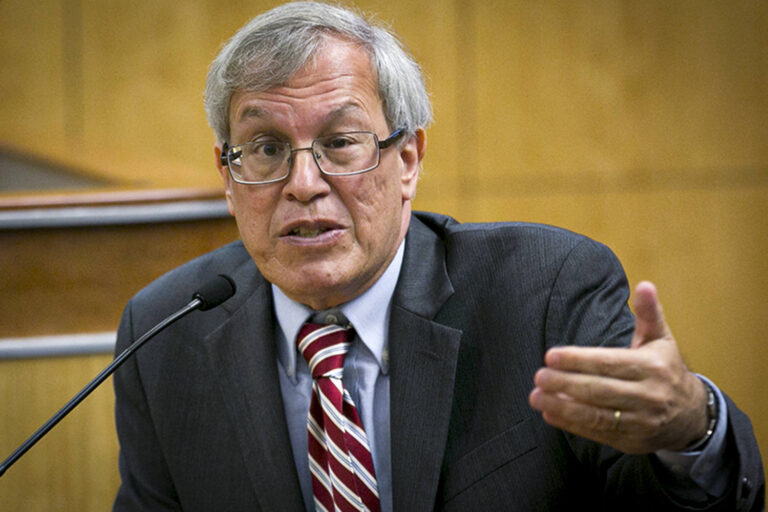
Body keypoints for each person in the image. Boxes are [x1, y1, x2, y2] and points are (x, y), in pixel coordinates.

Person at [112, 2, 764, 511]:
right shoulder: (166, 333)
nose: (303, 183)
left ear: (408, 161)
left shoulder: (544, 293)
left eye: (341, 142)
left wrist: (690, 431)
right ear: (227, 177)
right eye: (264, 148)